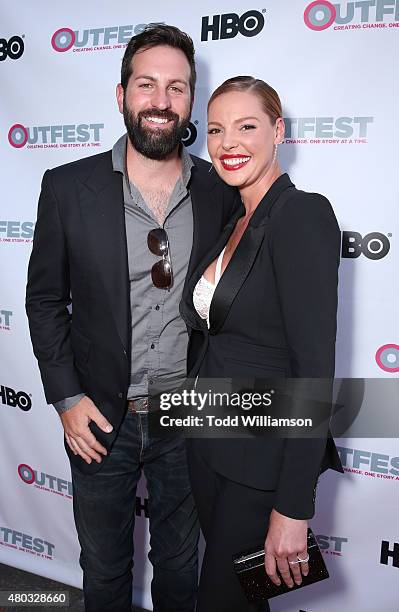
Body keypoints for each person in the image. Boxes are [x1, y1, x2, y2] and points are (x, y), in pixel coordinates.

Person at [25, 26, 238, 612]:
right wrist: (66, 398)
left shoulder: (221, 189)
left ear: (192, 100)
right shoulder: (67, 187)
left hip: (187, 416)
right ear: (121, 95)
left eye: (177, 87)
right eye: (147, 85)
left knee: (178, 570)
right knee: (104, 570)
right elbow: (45, 301)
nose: (162, 101)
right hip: (97, 416)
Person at [179, 76, 344, 612]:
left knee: (223, 601)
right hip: (208, 444)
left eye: (246, 126)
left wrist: (295, 507)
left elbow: (313, 368)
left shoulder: (300, 215)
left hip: (262, 462)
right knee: (246, 599)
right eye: (216, 130)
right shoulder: (233, 219)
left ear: (278, 131)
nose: (229, 143)